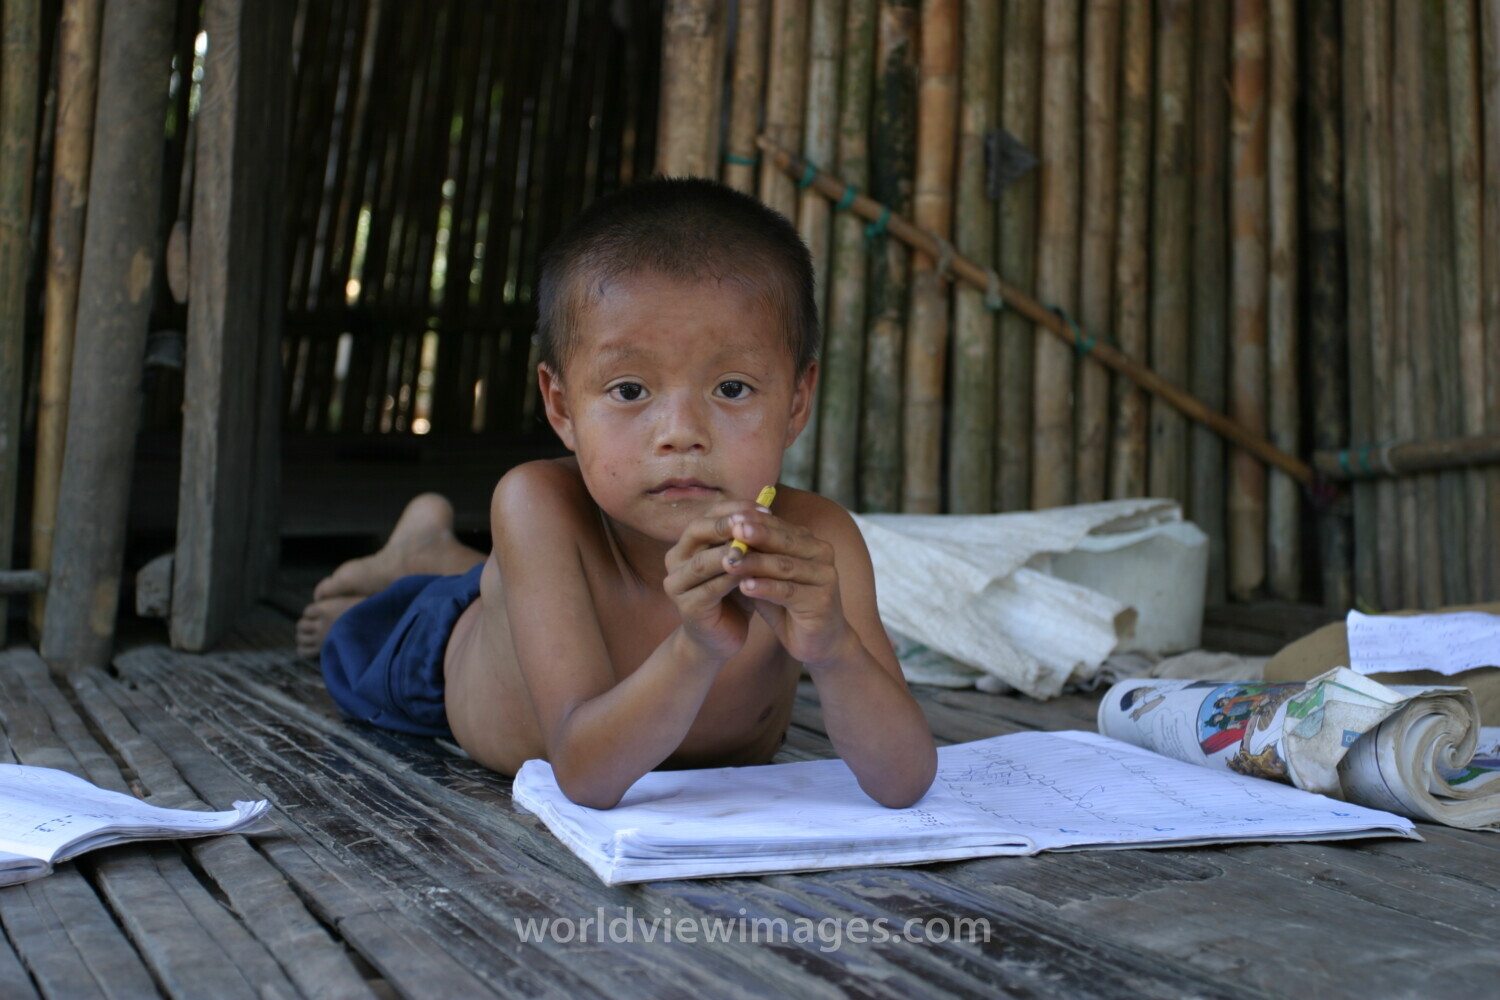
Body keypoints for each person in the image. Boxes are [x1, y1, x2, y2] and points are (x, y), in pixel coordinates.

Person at [299, 177, 937, 810]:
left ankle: (439, 551)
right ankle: (420, 562)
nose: (681, 433)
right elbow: (585, 775)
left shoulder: (816, 542)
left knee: (511, 582)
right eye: (629, 390)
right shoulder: (538, 506)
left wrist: (835, 649)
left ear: (796, 402)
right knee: (350, 640)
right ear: (561, 406)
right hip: (438, 658)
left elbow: (905, 780)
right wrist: (697, 647)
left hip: (542, 591)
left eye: (733, 388)